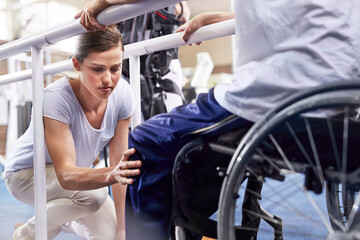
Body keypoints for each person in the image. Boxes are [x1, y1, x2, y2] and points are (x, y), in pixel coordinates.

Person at [77, 0, 360, 239]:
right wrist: (228, 18)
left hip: (275, 97)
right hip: (342, 103)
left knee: (145, 140)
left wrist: (102, 5)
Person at [3, 25, 142, 240]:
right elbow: (67, 175)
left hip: (75, 181)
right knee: (95, 194)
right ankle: (27, 234)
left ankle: (59, 219)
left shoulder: (122, 93)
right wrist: (110, 174)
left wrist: (123, 230)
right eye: (97, 69)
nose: (108, 79)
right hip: (26, 175)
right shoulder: (56, 97)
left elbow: (119, 166)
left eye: (115, 69)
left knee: (110, 234)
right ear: (77, 64)